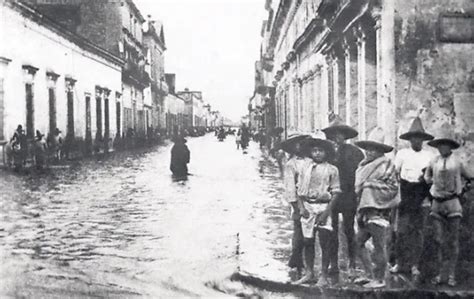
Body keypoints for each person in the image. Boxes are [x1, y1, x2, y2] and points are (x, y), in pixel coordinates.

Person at [424, 123, 473, 287]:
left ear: (450, 146)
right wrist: (431, 185)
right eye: (439, 145)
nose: (441, 148)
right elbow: (426, 177)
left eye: (444, 145)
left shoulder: (457, 162)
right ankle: (440, 274)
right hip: (437, 203)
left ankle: (451, 275)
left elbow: (470, 177)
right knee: (439, 240)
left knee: (453, 240)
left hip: (453, 203)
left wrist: (464, 189)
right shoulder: (434, 161)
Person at [354, 127, 400, 289]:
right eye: (368, 148)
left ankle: (379, 279)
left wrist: (370, 187)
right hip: (365, 212)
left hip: (379, 211)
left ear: (380, 150)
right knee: (357, 242)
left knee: (379, 246)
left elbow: (393, 188)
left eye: (374, 149)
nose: (370, 152)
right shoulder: (364, 164)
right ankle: (369, 274)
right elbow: (358, 187)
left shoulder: (387, 165)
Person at [294, 132, 341, 286]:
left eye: (321, 150)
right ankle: (309, 272)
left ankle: (324, 275)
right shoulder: (304, 168)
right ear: (310, 152)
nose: (317, 153)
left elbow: (335, 193)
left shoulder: (332, 169)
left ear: (326, 152)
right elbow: (299, 190)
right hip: (307, 206)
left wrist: (326, 212)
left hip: (323, 207)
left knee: (325, 241)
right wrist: (301, 207)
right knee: (308, 241)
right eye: (314, 150)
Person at [391, 117, 434, 281]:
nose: (416, 141)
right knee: (401, 232)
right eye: (413, 138)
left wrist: (426, 188)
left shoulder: (429, 156)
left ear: (423, 140)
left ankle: (415, 264)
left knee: (418, 232)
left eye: (419, 138)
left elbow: (431, 178)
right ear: (409, 139)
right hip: (405, 197)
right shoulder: (402, 154)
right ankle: (401, 263)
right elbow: (395, 175)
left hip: (422, 198)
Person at [322, 116, 364, 277]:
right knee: (331, 230)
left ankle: (352, 263)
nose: (337, 137)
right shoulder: (327, 153)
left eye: (340, 134)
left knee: (349, 229)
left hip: (348, 196)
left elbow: (359, 173)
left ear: (345, 136)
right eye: (333, 134)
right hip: (331, 196)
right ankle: (334, 264)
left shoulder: (355, 152)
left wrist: (358, 193)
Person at [281, 133, 310, 279]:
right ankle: (297, 260)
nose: (300, 146)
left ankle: (307, 263)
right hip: (299, 202)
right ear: (292, 147)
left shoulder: (310, 160)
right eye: (297, 144)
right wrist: (297, 206)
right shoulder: (291, 164)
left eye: (302, 143)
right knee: (299, 231)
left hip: (313, 201)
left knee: (311, 234)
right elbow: (290, 188)